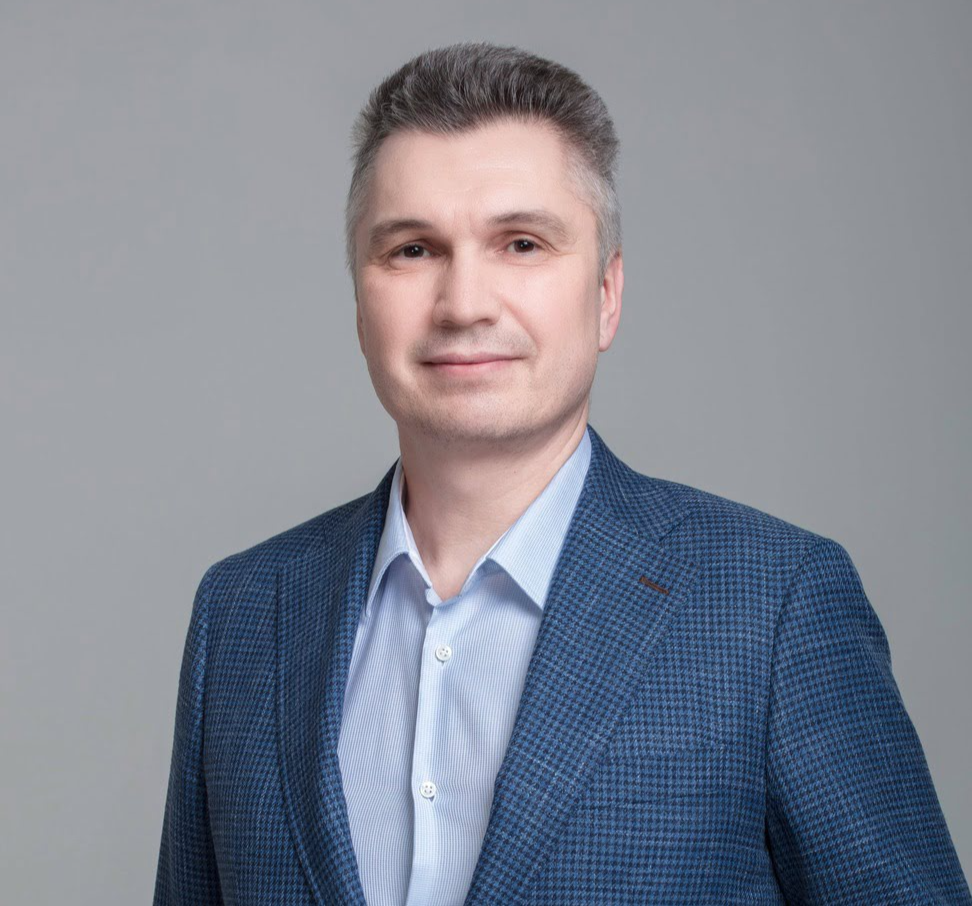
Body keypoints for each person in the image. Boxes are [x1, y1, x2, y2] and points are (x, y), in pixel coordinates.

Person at [153, 42, 970, 905]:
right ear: (361, 305)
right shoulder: (242, 615)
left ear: (607, 294)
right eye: (414, 250)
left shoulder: (772, 605)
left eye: (522, 243)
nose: (465, 304)